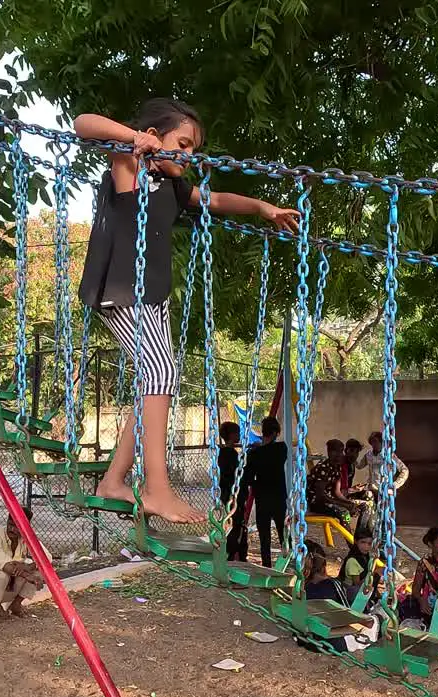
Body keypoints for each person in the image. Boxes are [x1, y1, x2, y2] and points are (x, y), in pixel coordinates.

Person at [76, 99, 299, 524]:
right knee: (160, 374)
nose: (189, 156)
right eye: (182, 144)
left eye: (194, 149)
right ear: (155, 138)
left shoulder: (176, 189)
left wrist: (260, 207)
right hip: (124, 293)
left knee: (158, 379)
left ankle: (113, 480)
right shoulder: (130, 166)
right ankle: (156, 489)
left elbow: (216, 200)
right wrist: (134, 138)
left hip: (152, 298)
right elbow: (82, 123)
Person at [0, 509, 50, 620]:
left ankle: (16, 604)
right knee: (1, 573)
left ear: (25, 527)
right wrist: (27, 575)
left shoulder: (26, 536)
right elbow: (5, 564)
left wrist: (28, 567)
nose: (12, 529)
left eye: (17, 527)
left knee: (39, 571)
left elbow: (47, 558)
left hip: (11, 589)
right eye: (10, 524)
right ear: (7, 520)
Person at [242, 416, 288, 567]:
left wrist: (254, 451)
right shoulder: (281, 449)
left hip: (262, 495)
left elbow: (247, 478)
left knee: (264, 535)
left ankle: (266, 565)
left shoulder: (255, 454)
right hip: (278, 495)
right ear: (276, 433)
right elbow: (273, 453)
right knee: (283, 532)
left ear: (263, 432)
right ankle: (289, 561)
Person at [353, 431, 408, 536]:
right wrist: (354, 456)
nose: (375, 444)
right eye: (372, 442)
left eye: (377, 442)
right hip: (372, 489)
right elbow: (359, 466)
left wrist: (395, 485)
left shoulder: (389, 456)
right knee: (368, 514)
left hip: (384, 490)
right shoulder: (368, 455)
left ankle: (383, 539)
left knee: (384, 516)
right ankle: (365, 537)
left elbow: (404, 470)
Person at [307, 439, 359, 524]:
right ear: (330, 453)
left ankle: (357, 535)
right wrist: (342, 504)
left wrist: (348, 502)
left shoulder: (337, 467)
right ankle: (348, 536)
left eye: (342, 452)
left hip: (329, 500)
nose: (341, 455)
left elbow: (337, 492)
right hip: (317, 503)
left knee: (356, 507)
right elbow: (320, 496)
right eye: (338, 452)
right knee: (343, 513)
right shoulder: (323, 468)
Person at [217, 421, 249, 561]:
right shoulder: (229, 454)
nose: (239, 435)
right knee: (236, 524)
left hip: (228, 493)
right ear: (231, 435)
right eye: (237, 433)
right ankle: (235, 553)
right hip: (232, 494)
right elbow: (234, 475)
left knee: (234, 524)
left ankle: (234, 553)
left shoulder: (225, 453)